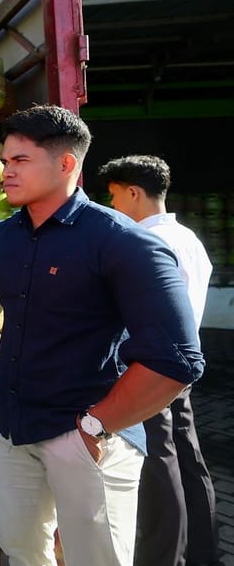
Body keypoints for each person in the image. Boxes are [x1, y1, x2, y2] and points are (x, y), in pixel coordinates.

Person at [0, 106, 205, 566]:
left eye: (20, 160)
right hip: (11, 430)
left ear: (65, 164)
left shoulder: (124, 242)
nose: (5, 170)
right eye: (6, 159)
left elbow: (178, 359)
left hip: (86, 435)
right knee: (21, 552)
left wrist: (96, 427)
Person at [98, 154, 218, 566]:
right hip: (183, 363)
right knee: (187, 459)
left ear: (133, 193)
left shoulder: (146, 243)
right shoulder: (188, 239)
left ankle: (163, 556)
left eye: (113, 198)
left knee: (157, 461)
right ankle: (202, 550)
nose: (112, 208)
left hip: (151, 367)